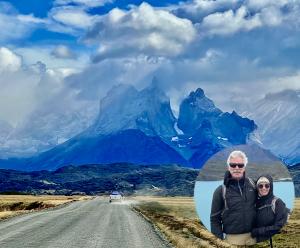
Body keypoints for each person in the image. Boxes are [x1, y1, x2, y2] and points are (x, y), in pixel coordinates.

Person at [210, 150, 257, 246]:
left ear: (244, 167)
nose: (237, 168)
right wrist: (219, 241)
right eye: (233, 165)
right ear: (228, 167)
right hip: (232, 239)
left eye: (240, 165)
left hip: (254, 237)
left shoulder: (254, 185)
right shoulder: (220, 191)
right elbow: (215, 219)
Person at [251, 175, 289, 243]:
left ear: (270, 187)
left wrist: (257, 231)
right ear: (257, 188)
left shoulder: (277, 202)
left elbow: (278, 226)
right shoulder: (255, 203)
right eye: (260, 186)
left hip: (271, 243)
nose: (264, 188)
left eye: (267, 185)